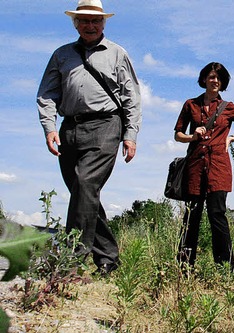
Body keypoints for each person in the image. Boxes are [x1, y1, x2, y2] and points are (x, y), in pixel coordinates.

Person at [37, 0, 141, 276]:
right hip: (69, 129)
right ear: (76, 24)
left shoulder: (118, 54)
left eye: (96, 21)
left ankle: (71, 262)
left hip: (107, 125)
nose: (90, 26)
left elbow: (132, 98)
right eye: (84, 21)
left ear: (104, 23)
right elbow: (47, 94)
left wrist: (130, 135)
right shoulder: (61, 55)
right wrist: (49, 128)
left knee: (85, 184)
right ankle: (108, 257)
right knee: (83, 193)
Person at [174, 62, 234, 271]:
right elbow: (177, 134)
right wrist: (192, 136)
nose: (215, 81)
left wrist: (231, 138)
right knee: (191, 216)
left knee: (217, 215)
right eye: (211, 77)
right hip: (194, 166)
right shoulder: (190, 104)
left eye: (219, 78)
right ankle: (184, 268)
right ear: (204, 80)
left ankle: (225, 269)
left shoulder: (228, 107)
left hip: (218, 167)